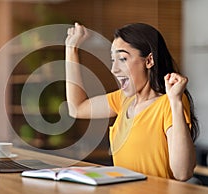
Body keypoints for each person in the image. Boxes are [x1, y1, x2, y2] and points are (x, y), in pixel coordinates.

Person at [65, 22, 199, 181]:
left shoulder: (169, 102)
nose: (114, 69)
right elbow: (76, 108)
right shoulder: (123, 100)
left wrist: (176, 101)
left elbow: (183, 173)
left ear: (149, 60)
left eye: (122, 59)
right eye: (112, 60)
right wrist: (71, 49)